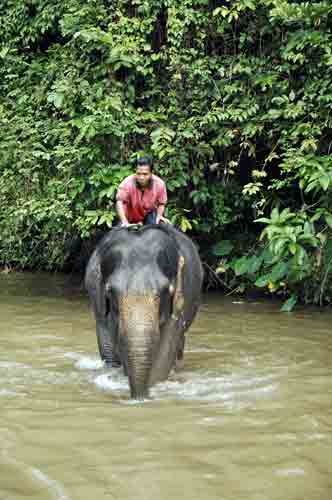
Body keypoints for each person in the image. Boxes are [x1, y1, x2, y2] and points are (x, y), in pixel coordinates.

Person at [115, 156, 167, 226]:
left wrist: (159, 216)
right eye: (138, 174)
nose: (141, 177)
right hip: (129, 215)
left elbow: (161, 203)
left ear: (151, 173)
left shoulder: (159, 184)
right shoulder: (127, 183)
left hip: (148, 214)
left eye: (145, 174)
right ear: (135, 172)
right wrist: (124, 222)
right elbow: (119, 202)